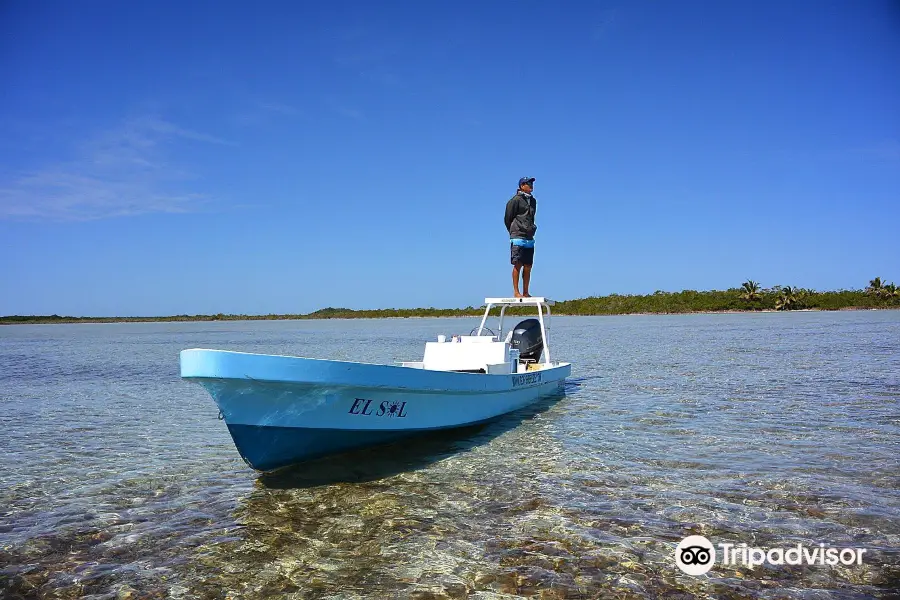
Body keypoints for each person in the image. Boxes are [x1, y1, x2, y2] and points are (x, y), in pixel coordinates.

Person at [504, 176, 537, 298]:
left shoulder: (533, 201)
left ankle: (526, 292)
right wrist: (513, 230)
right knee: (518, 263)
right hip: (517, 235)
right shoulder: (515, 200)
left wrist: (532, 228)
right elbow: (508, 218)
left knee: (528, 265)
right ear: (522, 186)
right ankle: (516, 292)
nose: (530, 185)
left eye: (531, 183)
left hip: (529, 236)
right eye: (528, 183)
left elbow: (531, 217)